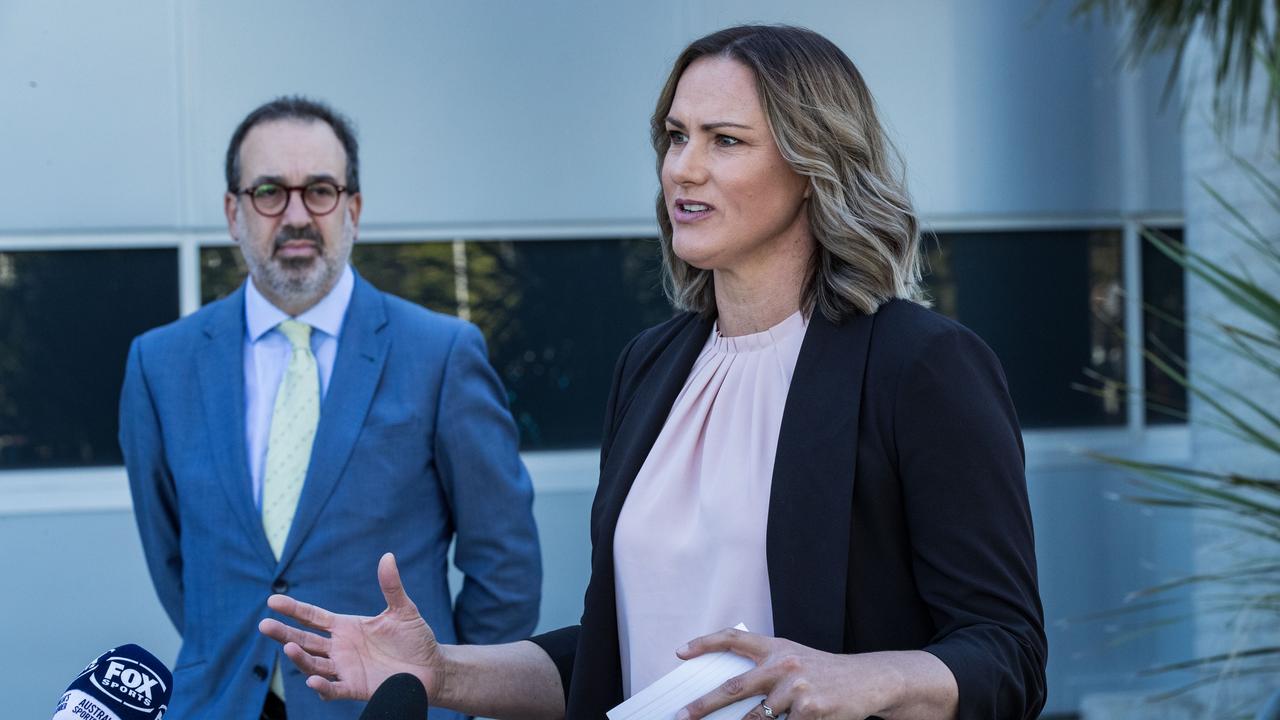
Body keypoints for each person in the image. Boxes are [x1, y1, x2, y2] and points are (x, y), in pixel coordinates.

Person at [260, 26, 1047, 720]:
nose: (683, 169)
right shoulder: (653, 366)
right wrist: (441, 672)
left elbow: (1007, 654)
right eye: (676, 137)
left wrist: (859, 679)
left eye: (725, 141)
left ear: (813, 165)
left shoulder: (921, 366)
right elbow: (615, 664)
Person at [119, 96, 542, 720]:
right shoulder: (161, 364)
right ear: (234, 213)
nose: (296, 215)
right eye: (269, 192)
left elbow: (503, 563)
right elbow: (173, 558)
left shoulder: (440, 354)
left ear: (354, 209)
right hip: (221, 703)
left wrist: (452, 694)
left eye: (319, 190)